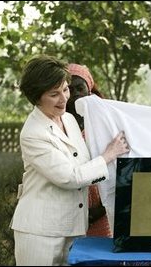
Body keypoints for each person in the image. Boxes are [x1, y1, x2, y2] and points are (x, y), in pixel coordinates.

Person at [11, 55, 129, 265]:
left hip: (73, 228)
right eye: (54, 94)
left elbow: (84, 165)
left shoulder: (69, 119)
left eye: (65, 89)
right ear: (36, 97)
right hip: (39, 233)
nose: (64, 98)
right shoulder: (33, 133)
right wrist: (109, 154)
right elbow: (70, 177)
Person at [66, 63, 112, 237]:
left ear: (89, 91)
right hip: (69, 213)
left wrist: (100, 209)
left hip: (101, 212)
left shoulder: (102, 125)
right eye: (70, 89)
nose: (76, 93)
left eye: (80, 88)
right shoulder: (58, 126)